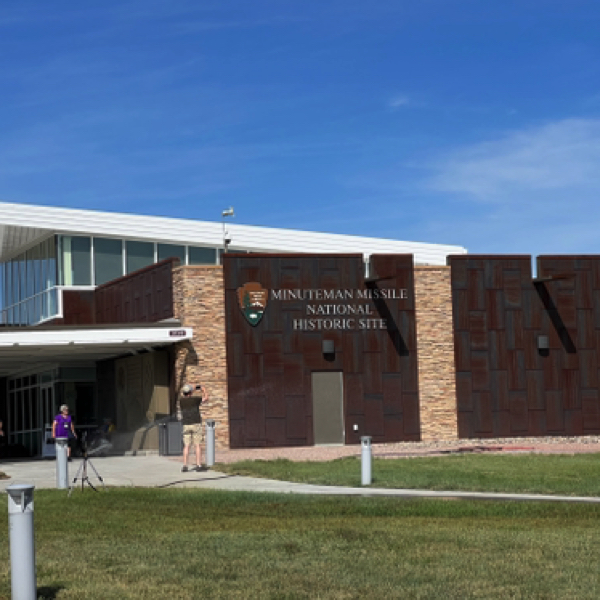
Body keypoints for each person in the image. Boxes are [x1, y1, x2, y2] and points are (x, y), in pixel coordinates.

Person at [177, 382, 208, 472]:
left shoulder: (181, 401)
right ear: (190, 392)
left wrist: (191, 387)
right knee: (197, 445)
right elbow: (206, 399)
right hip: (196, 424)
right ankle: (198, 465)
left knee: (186, 446)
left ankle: (185, 466)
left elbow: (187, 390)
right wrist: (203, 390)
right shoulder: (195, 400)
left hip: (186, 424)